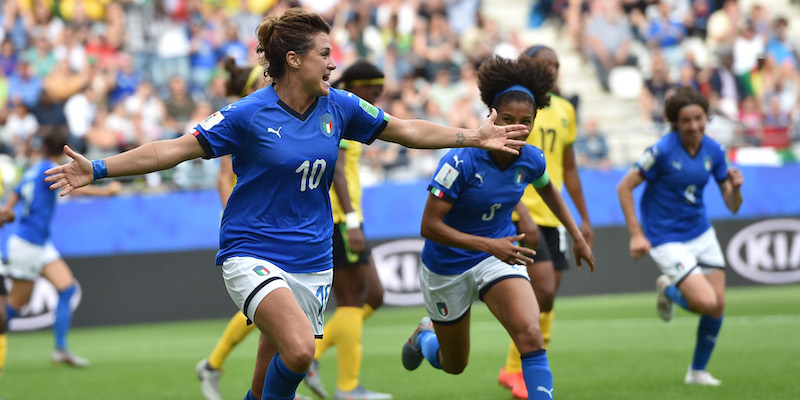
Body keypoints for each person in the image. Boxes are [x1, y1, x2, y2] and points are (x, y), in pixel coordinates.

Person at [44, 9, 530, 400]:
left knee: (267, 381)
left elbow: (404, 130)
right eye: (325, 54)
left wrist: (474, 136)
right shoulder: (248, 113)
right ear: (295, 60)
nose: (333, 64)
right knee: (298, 354)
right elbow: (171, 148)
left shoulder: (338, 106)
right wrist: (99, 168)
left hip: (313, 260)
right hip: (252, 252)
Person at [400, 55, 595, 400]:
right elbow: (429, 227)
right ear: (492, 115)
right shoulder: (460, 161)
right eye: (507, 119)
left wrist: (577, 235)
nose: (517, 129)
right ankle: (425, 337)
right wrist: (490, 246)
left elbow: (549, 189)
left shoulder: (531, 159)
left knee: (531, 335)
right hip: (447, 267)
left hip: (497, 258)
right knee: (453, 364)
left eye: (526, 121)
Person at [616, 86, 743, 386]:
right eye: (686, 120)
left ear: (706, 117)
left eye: (699, 118)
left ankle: (697, 372)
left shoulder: (714, 150)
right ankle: (668, 288)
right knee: (705, 304)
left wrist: (735, 187)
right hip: (665, 237)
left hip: (700, 231)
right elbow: (624, 187)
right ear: (675, 122)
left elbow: (732, 206)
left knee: (718, 304)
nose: (694, 126)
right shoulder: (660, 151)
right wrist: (636, 234)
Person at [498, 45, 594, 400]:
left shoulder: (565, 110)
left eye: (556, 64)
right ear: (528, 69)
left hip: (552, 217)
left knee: (548, 299)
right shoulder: (516, 110)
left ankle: (516, 370)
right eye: (544, 64)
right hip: (518, 213)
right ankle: (517, 370)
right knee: (544, 291)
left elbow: (568, 169)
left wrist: (582, 218)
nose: (552, 70)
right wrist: (521, 211)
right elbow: (505, 161)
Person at [303, 60, 392, 400]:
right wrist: (352, 221)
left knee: (374, 295)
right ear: (357, 85)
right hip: (340, 218)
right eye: (374, 89)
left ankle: (313, 357)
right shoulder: (338, 112)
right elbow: (337, 171)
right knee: (354, 298)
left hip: (347, 217)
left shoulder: (349, 111)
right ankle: (348, 388)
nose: (378, 96)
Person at [1, 125, 121, 369]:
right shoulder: (50, 169)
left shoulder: (34, 168)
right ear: (65, 149)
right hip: (29, 244)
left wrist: (7, 209)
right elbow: (74, 189)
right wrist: (107, 190)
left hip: (38, 243)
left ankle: (60, 349)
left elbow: (15, 192)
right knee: (12, 308)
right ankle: (59, 348)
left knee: (66, 290)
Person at [195, 59, 273, 400]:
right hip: (253, 224)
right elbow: (223, 178)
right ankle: (215, 365)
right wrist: (234, 214)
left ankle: (215, 366)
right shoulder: (243, 118)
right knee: (267, 309)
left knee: (268, 311)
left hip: (273, 221)